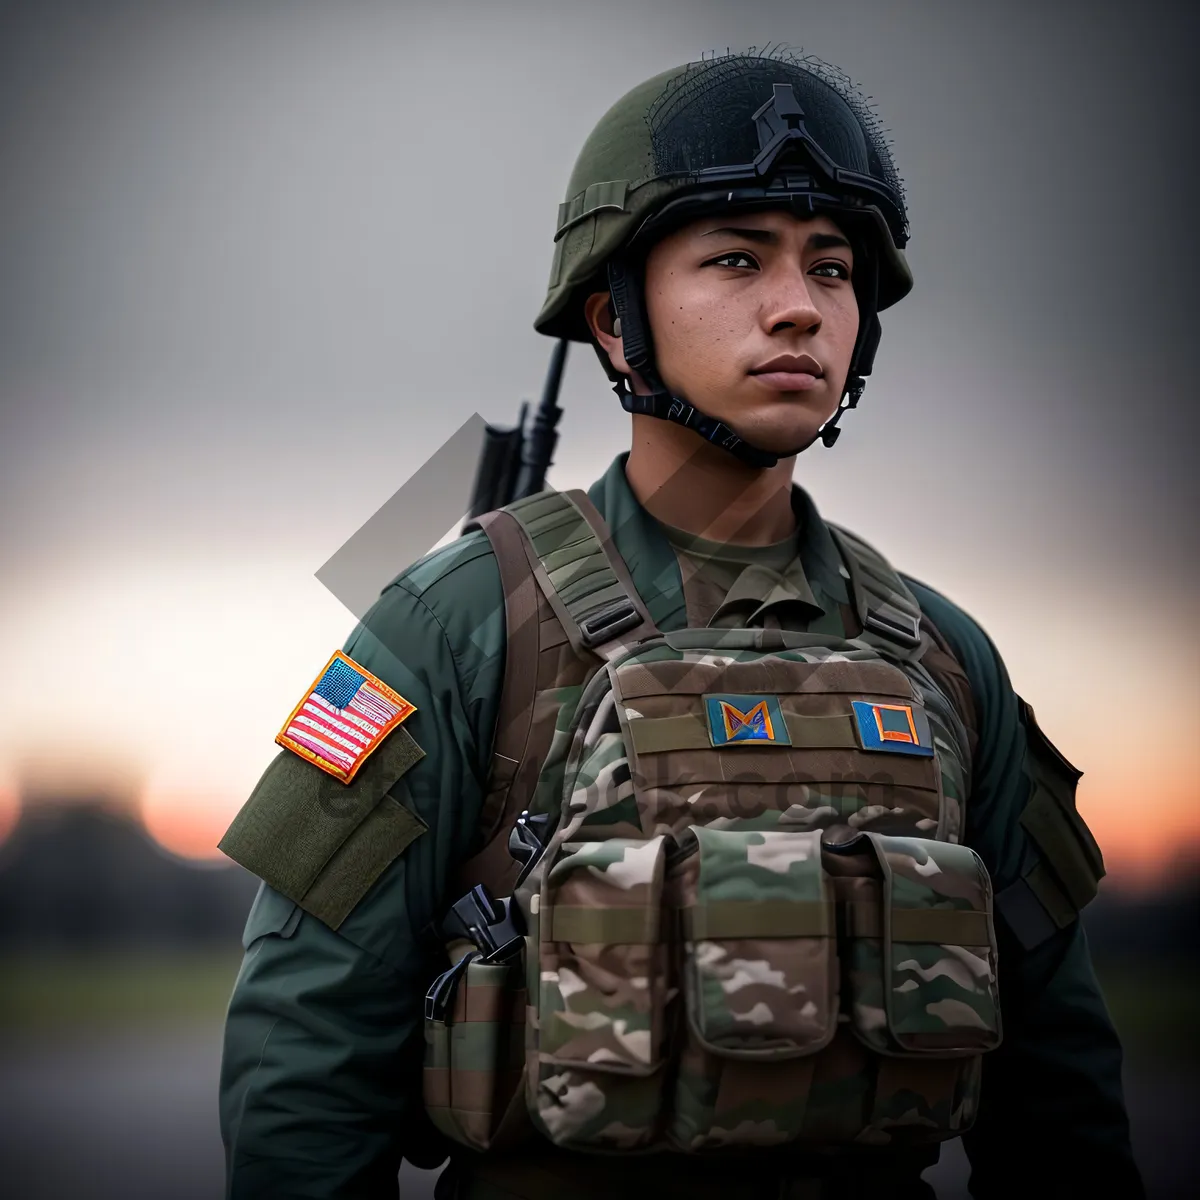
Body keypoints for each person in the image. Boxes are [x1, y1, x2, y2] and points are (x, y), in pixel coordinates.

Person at [218, 50, 1143, 1200]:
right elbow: (307, 1051)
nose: (801, 305)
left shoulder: (946, 656)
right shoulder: (455, 622)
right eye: (736, 259)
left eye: (834, 267)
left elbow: (1059, 1089)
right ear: (614, 321)